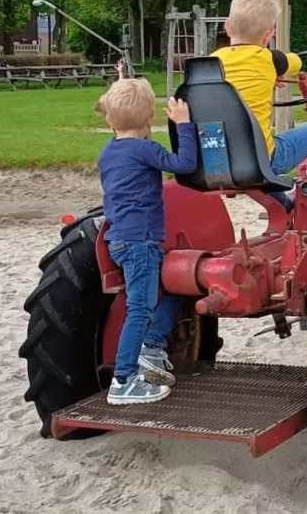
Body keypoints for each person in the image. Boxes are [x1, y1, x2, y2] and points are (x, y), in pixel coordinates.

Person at [96, 78, 198, 405]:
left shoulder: (108, 152)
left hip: (120, 240)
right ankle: (123, 381)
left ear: (110, 120)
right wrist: (183, 125)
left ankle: (152, 347)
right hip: (141, 243)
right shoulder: (146, 150)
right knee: (138, 310)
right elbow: (185, 165)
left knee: (167, 292)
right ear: (150, 119)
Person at [211, 0, 307, 218]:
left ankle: (286, 206)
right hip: (261, 160)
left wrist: (268, 79)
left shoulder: (210, 64)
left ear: (228, 26)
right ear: (269, 35)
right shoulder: (269, 60)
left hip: (216, 162)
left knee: (253, 158)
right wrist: (274, 71)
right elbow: (296, 62)